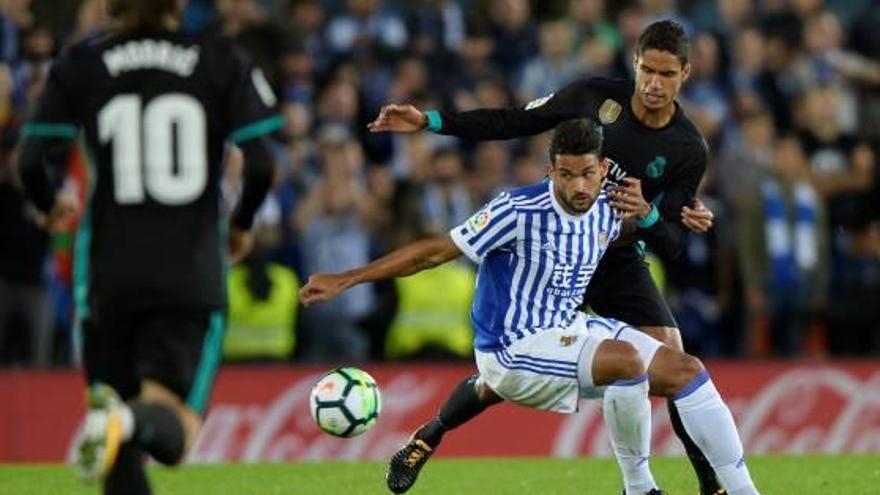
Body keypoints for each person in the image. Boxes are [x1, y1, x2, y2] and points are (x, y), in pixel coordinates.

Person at [301, 119, 760, 495]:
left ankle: (743, 491)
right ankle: (639, 490)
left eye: (586, 174)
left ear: (603, 168)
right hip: (509, 347)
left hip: (566, 327)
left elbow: (655, 218)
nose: (578, 186)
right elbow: (434, 252)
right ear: (551, 171)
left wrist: (685, 215)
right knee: (625, 362)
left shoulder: (611, 201)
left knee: (688, 370)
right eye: (566, 175)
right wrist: (348, 278)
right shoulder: (517, 209)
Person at [368, 18, 723, 495]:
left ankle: (711, 485)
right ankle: (431, 433)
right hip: (556, 245)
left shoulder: (688, 148)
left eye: (666, 75)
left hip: (614, 257)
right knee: (504, 376)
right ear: (634, 63)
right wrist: (431, 121)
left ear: (686, 74)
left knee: (676, 367)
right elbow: (513, 121)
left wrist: (655, 218)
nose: (654, 84)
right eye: (647, 71)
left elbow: (673, 246)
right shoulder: (591, 96)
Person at [16, 1, 281, 494]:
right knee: (170, 430)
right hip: (189, 267)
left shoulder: (80, 63)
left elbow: (31, 158)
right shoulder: (219, 59)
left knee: (117, 435)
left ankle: (121, 419)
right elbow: (262, 165)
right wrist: (241, 224)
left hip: (106, 272)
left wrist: (47, 204)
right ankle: (129, 420)